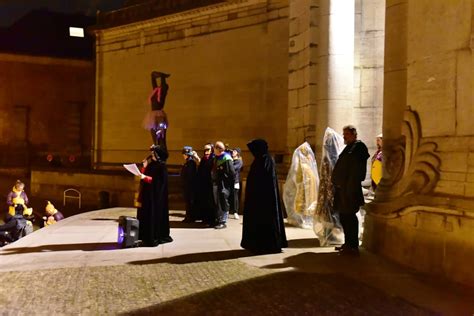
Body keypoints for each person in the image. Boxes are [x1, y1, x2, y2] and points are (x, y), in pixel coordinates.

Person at [241, 139, 287, 254]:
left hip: (263, 200)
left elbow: (263, 181)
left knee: (264, 222)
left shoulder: (266, 160)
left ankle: (266, 244)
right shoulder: (261, 159)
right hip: (258, 199)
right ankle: (258, 244)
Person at [332, 125, 369, 256]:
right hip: (343, 190)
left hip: (350, 190)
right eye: (344, 134)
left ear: (354, 134)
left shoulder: (359, 147)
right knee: (344, 217)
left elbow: (357, 171)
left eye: (346, 134)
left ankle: (353, 246)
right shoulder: (349, 147)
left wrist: (348, 187)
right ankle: (347, 243)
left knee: (350, 218)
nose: (344, 136)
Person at [313, 127, 345, 246]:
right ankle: (330, 235)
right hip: (332, 191)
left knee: (330, 214)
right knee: (330, 214)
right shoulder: (334, 158)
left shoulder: (330, 158)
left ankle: (330, 235)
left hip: (329, 192)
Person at [136, 144, 172, 246]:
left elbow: (158, 182)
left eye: (153, 153)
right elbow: (144, 176)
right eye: (151, 153)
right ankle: (144, 235)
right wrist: (144, 167)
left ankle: (153, 236)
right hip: (147, 195)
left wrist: (145, 177)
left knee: (152, 216)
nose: (151, 155)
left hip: (155, 197)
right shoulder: (151, 165)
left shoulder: (162, 167)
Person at [283, 142, 319, 228]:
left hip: (302, 187)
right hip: (308, 187)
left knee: (302, 203)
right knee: (308, 202)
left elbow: (294, 172)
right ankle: (306, 220)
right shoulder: (309, 166)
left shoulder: (302, 165)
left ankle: (302, 220)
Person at [211, 141, 235, 229]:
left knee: (223, 202)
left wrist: (226, 182)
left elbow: (231, 173)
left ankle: (223, 221)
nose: (213, 150)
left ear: (218, 149)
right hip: (216, 183)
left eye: (214, 148)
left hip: (223, 184)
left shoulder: (226, 158)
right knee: (217, 202)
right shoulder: (217, 157)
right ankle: (218, 219)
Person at [142, 71, 170, 145]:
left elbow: (163, 85)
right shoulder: (156, 91)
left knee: (160, 131)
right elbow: (154, 84)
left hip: (158, 114)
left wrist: (163, 77)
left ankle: (160, 145)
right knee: (153, 130)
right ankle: (155, 144)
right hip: (153, 114)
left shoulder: (162, 94)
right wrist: (153, 77)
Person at [193, 143, 216, 225]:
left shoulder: (213, 158)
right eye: (205, 150)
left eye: (208, 149)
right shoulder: (204, 159)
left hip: (210, 184)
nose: (206, 151)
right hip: (203, 184)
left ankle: (211, 220)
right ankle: (205, 218)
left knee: (210, 202)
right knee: (204, 202)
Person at [180, 146, 198, 222]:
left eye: (184, 154)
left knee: (190, 201)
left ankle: (190, 217)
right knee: (188, 202)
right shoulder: (188, 162)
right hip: (187, 185)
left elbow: (190, 176)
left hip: (189, 186)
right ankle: (188, 216)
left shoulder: (191, 163)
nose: (183, 155)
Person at [229, 147, 243, 220]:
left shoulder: (239, 161)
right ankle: (228, 211)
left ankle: (235, 212)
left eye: (234, 151)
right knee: (229, 196)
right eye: (232, 151)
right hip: (229, 181)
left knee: (235, 197)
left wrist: (230, 162)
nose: (233, 152)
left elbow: (233, 169)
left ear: (237, 153)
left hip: (235, 181)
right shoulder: (230, 160)